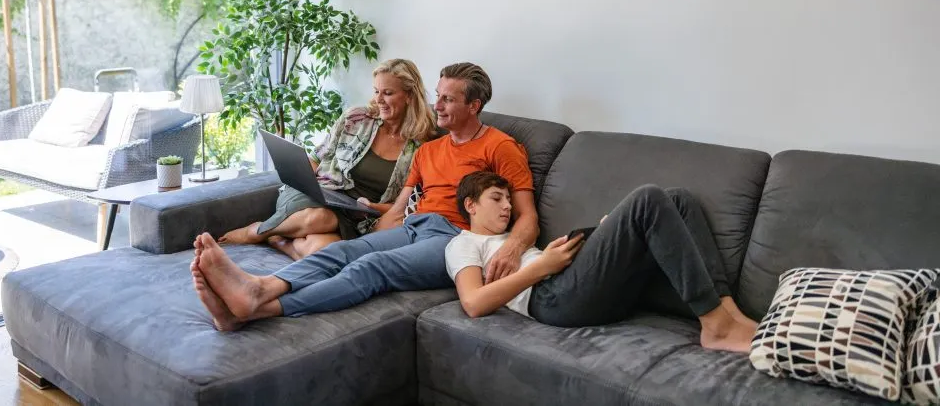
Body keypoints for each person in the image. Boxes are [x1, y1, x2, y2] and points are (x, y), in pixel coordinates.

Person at [189, 62, 539, 330]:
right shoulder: (430, 150)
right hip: (416, 226)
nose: (437, 105)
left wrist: (511, 249)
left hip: (455, 238)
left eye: (448, 99)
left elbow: (528, 217)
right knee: (343, 251)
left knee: (372, 267)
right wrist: (369, 235)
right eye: (438, 95)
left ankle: (259, 306)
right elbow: (399, 208)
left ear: (474, 106)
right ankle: (261, 288)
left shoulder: (500, 147)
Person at [444, 172, 759, 354]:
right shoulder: (463, 244)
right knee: (647, 198)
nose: (507, 207)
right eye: (497, 198)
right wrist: (543, 267)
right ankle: (716, 328)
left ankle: (727, 312)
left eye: (509, 201)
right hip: (549, 299)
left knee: (678, 198)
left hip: (571, 282)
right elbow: (472, 303)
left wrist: (608, 234)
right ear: (470, 205)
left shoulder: (513, 238)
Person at [218, 58, 437, 259]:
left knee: (322, 251)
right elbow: (318, 157)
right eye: (376, 91)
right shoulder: (356, 118)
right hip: (321, 194)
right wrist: (303, 182)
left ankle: (276, 240)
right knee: (321, 218)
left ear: (409, 95)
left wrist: (370, 206)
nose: (378, 99)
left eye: (387, 93)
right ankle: (257, 231)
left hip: (359, 214)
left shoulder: (421, 146)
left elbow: (407, 205)